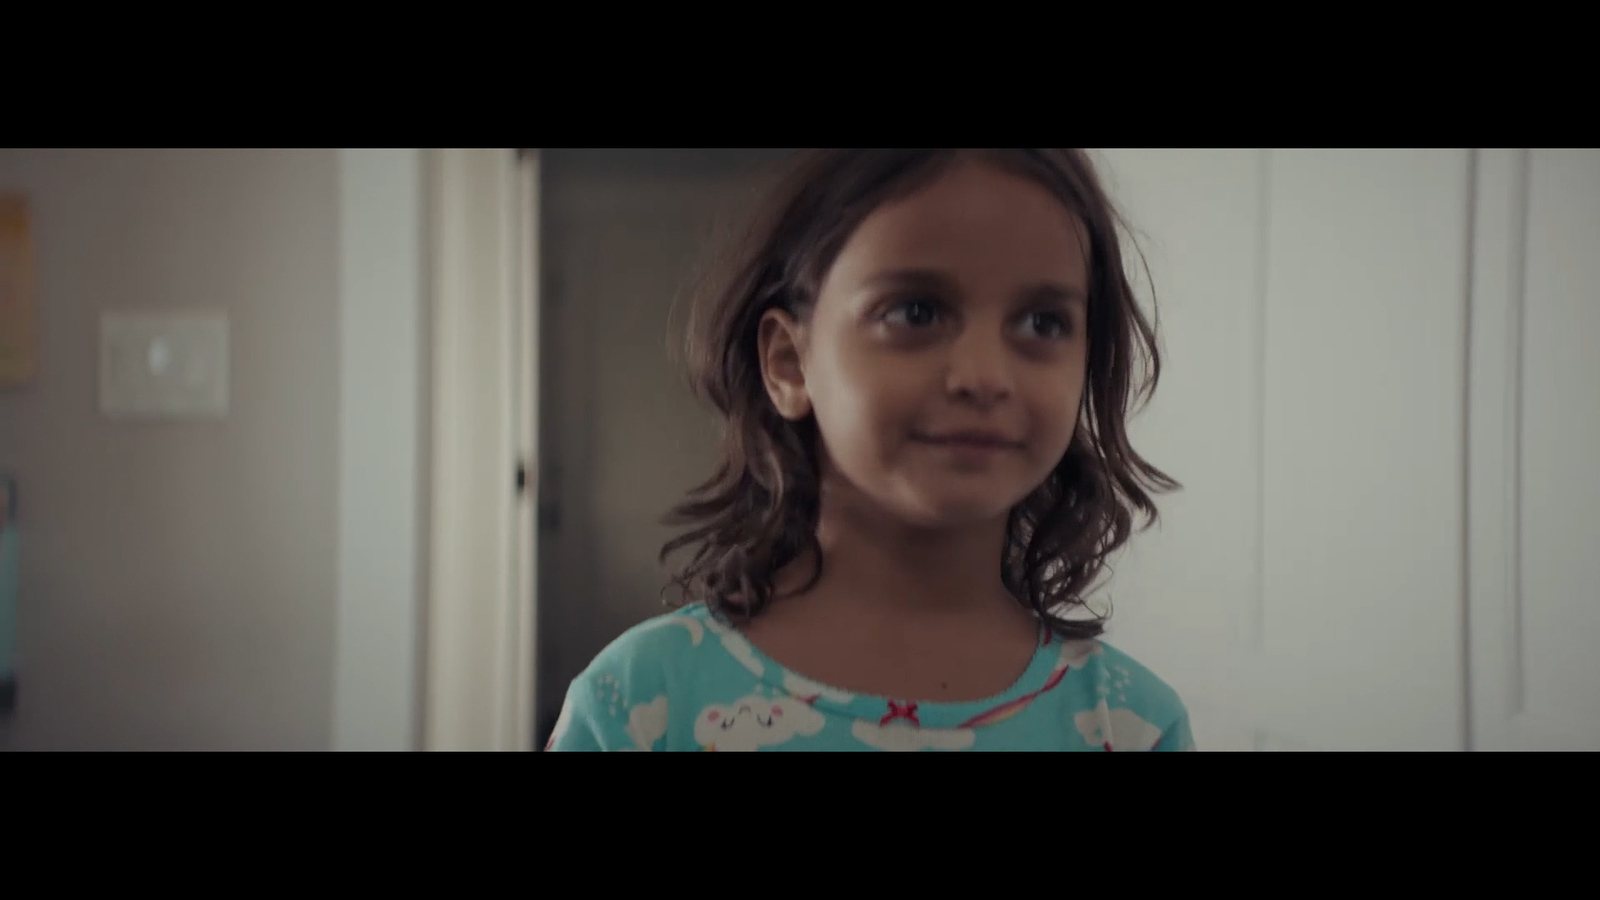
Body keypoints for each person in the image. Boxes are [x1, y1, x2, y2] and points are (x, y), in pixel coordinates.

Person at [546, 149, 1194, 751]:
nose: (985, 375)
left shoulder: (1134, 726)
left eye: (1043, 322)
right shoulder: (639, 703)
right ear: (789, 363)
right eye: (915, 312)